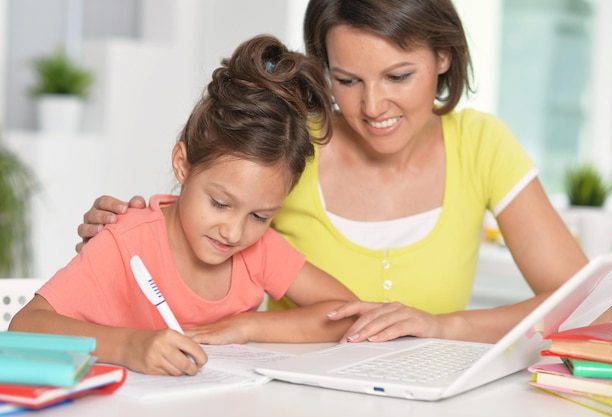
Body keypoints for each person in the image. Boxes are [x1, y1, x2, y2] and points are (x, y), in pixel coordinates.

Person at [75, 0, 612, 346]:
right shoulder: (294, 145)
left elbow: (587, 304)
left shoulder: (482, 144)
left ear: (444, 56)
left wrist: (444, 325)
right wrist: (129, 238)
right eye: (347, 79)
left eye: (398, 76)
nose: (373, 106)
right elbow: (205, 219)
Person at [9, 34, 358, 376]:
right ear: (183, 164)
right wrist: (129, 346)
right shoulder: (127, 240)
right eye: (220, 203)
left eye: (259, 215)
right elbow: (25, 327)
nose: (234, 232)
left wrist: (245, 325)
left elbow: (349, 314)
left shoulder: (261, 250)